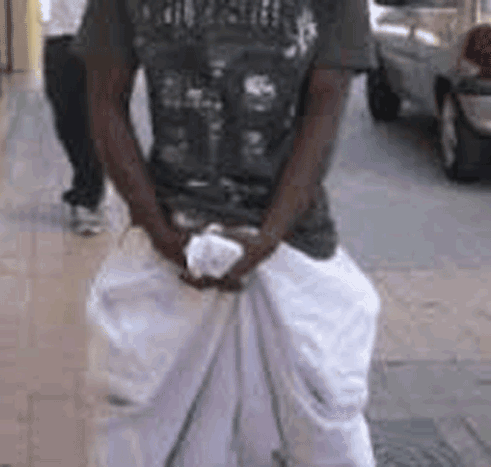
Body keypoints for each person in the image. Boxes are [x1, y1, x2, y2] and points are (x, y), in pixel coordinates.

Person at [75, 0, 382, 465]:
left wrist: (162, 231)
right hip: (259, 245)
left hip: (193, 246)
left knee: (142, 439)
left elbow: (104, 101)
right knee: (319, 434)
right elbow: (324, 108)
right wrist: (262, 237)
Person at [42, 0, 105, 235]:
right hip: (60, 35)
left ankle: (87, 197)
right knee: (66, 120)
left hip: (103, 39)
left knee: (96, 120)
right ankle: (92, 182)